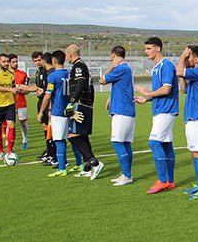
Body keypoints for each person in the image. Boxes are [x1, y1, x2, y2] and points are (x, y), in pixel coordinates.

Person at [135, 37, 179, 194]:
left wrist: (148, 93)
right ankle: (170, 181)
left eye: (148, 48)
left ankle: (162, 180)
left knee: (154, 142)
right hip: (160, 109)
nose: (145, 51)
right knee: (166, 144)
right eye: (145, 48)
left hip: (166, 109)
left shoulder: (166, 65)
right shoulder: (156, 68)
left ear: (158, 49)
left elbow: (166, 89)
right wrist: (146, 98)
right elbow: (159, 92)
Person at [176, 45, 198, 199]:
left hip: (197, 118)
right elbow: (183, 89)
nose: (186, 59)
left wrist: (181, 58)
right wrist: (183, 67)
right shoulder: (194, 74)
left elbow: (178, 71)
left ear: (196, 59)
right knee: (194, 152)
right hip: (192, 117)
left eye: (189, 56)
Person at [65, 44, 104, 180]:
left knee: (72, 136)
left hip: (81, 104)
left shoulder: (78, 66)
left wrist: (72, 102)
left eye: (67, 55)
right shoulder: (82, 66)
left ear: (70, 55)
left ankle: (95, 162)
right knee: (82, 136)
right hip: (85, 104)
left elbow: (81, 84)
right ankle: (88, 167)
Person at [100, 45, 136, 186]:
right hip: (126, 110)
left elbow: (102, 80)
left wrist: (111, 66)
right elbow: (122, 87)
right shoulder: (126, 69)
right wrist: (111, 97)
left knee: (117, 142)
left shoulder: (121, 68)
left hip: (122, 111)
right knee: (125, 143)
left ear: (113, 55)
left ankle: (126, 175)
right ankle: (126, 174)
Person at [37, 51, 71, 177]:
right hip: (70, 110)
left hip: (58, 111)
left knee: (58, 139)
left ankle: (62, 167)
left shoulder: (53, 76)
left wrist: (42, 112)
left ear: (54, 61)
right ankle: (80, 163)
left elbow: (47, 96)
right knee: (72, 138)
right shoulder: (70, 73)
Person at [10, 54, 30, 150]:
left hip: (21, 102)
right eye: (13, 62)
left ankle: (25, 140)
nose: (15, 63)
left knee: (23, 123)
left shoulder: (23, 74)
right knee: (10, 123)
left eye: (16, 61)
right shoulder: (5, 75)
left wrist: (20, 89)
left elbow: (27, 91)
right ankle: (9, 142)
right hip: (9, 103)